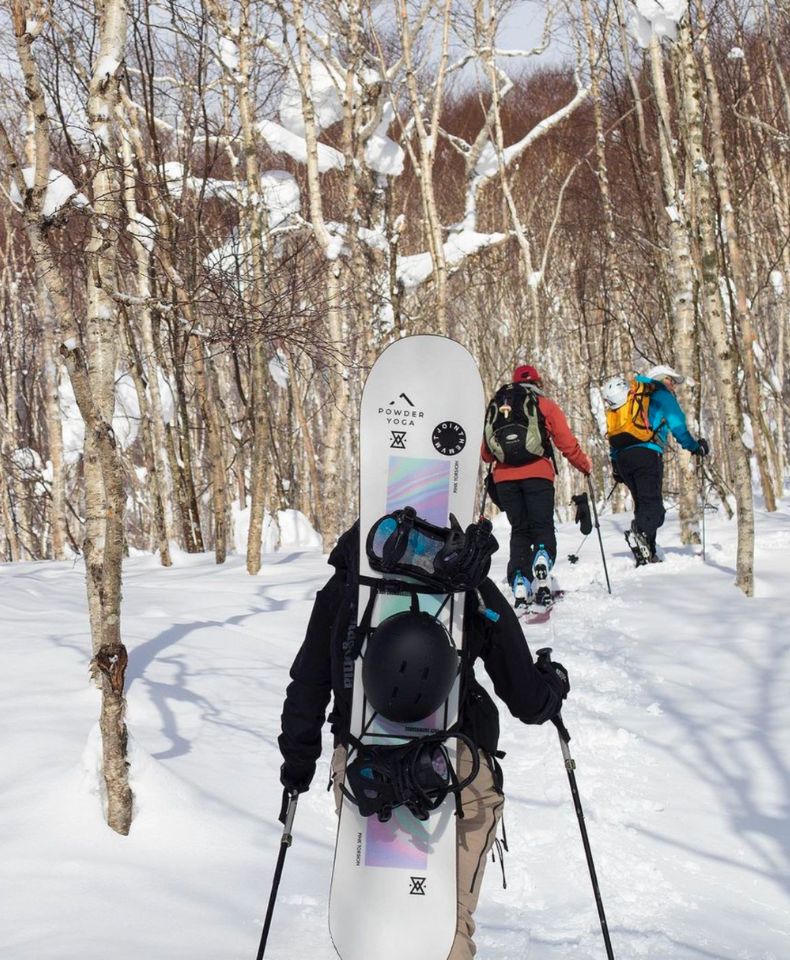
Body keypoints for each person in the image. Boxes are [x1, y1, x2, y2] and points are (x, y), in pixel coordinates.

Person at [278, 521, 570, 960]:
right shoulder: (468, 583)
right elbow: (527, 699)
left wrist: (297, 771)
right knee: (443, 925)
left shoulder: (345, 586)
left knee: (380, 927)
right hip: (456, 770)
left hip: (364, 775)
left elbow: (308, 687)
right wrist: (552, 687)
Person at [481, 364, 592, 607]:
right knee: (542, 526)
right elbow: (566, 443)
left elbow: (486, 455)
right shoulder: (545, 406)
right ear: (537, 383)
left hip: (505, 481)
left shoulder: (498, 407)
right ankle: (542, 558)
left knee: (519, 530)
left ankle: (520, 579)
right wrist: (584, 465)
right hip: (539, 476)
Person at [601, 365, 709, 564]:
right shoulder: (660, 395)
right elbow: (677, 424)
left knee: (643, 504)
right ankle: (639, 533)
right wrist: (695, 447)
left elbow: (617, 433)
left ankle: (647, 551)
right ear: (662, 379)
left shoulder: (632, 398)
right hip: (646, 454)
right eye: (671, 381)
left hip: (623, 459)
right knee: (655, 510)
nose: (673, 386)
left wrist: (616, 462)